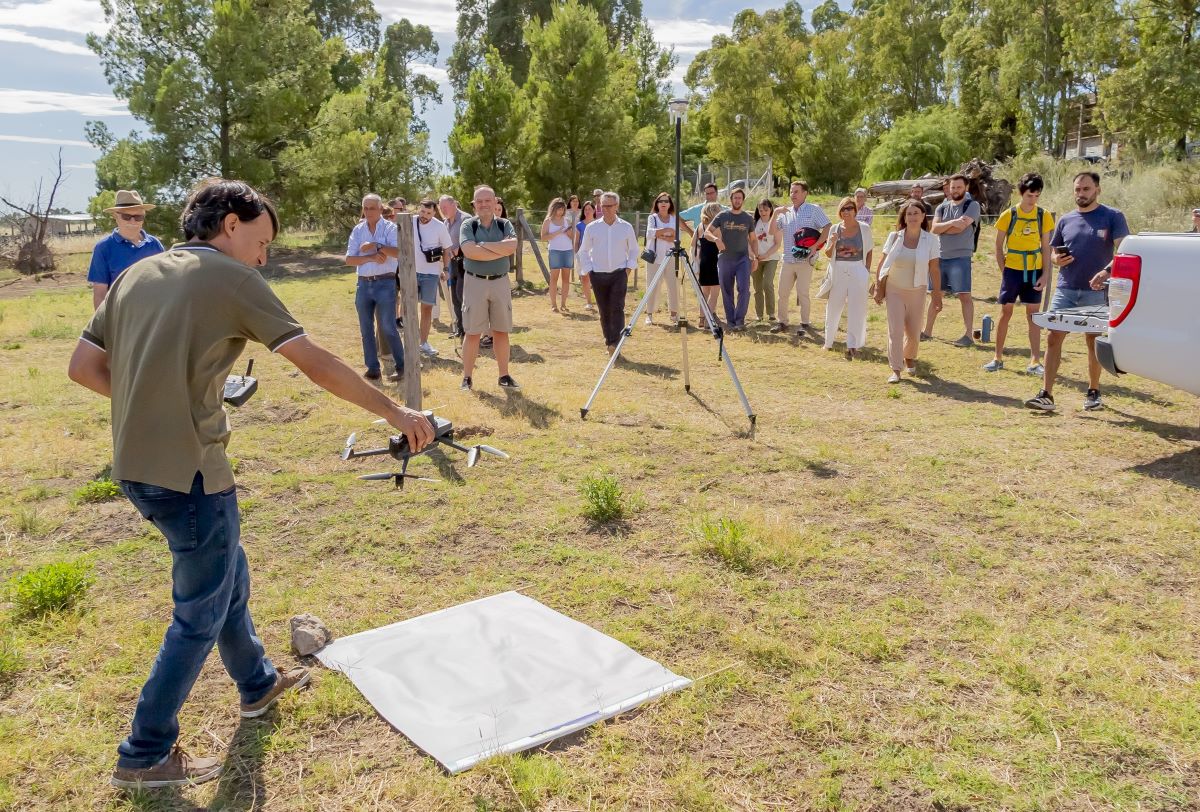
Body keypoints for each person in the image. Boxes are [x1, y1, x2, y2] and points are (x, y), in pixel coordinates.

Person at [67, 178, 434, 790]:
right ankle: (144, 751)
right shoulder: (231, 279)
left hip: (135, 467)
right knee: (200, 610)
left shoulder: (139, 273)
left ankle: (258, 685)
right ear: (230, 224)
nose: (264, 257)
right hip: (190, 472)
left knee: (225, 574)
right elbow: (313, 359)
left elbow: (84, 368)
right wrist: (397, 413)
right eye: (261, 241)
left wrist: (153, 405)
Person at [1025, 171, 1129, 412]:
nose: (1081, 194)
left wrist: (1106, 272)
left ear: (1097, 190)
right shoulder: (1066, 219)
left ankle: (1093, 392)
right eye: (1078, 190)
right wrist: (1056, 260)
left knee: (1093, 342)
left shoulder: (1112, 216)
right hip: (1066, 288)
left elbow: (1124, 251)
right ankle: (1046, 394)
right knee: (1053, 338)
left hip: (1097, 291)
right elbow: (1052, 254)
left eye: (1086, 189)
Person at [986, 173, 1054, 374]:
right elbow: (998, 246)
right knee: (1005, 312)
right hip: (1012, 270)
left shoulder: (1044, 216)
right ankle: (997, 357)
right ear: (1021, 193)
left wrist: (1045, 275)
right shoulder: (1009, 215)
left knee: (1033, 315)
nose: (1032, 200)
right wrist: (1004, 271)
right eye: (1029, 196)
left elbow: (1046, 248)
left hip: (1034, 271)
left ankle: (1034, 361)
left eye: (1036, 196)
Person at [459, 185, 520, 391]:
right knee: (473, 332)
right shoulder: (468, 225)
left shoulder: (504, 224)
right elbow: (469, 252)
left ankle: (504, 375)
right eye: (479, 201)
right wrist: (498, 250)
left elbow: (512, 246)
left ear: (495, 203)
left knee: (501, 330)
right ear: (474, 204)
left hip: (500, 281)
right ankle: (467, 378)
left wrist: (482, 245)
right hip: (474, 282)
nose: (484, 204)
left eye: (488, 200)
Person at [874, 200, 941, 382]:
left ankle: (909, 357)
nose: (912, 217)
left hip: (917, 291)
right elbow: (882, 263)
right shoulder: (895, 237)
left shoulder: (931, 240)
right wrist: (878, 286)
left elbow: (934, 269)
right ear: (904, 217)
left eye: (915, 213)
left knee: (913, 333)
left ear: (922, 217)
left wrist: (936, 296)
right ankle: (896, 369)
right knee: (895, 330)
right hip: (894, 289)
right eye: (908, 214)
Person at [345, 194, 403, 381]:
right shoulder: (358, 230)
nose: (368, 211)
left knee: (387, 326)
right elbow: (349, 259)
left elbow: (399, 252)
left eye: (372, 208)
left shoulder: (390, 228)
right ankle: (373, 368)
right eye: (366, 208)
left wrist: (376, 245)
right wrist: (371, 257)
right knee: (365, 328)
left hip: (385, 282)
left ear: (380, 209)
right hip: (363, 283)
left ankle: (402, 366)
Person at [579, 191, 639, 355]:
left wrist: (628, 269)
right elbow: (583, 251)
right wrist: (589, 270)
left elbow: (634, 250)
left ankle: (616, 344)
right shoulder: (592, 227)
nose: (605, 209)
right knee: (604, 310)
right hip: (598, 274)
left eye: (609, 206)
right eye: (602, 205)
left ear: (616, 206)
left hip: (619, 273)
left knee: (617, 307)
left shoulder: (626, 227)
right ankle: (609, 341)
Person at [769, 180, 831, 336]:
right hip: (788, 259)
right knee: (782, 293)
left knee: (803, 293)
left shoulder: (813, 210)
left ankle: (805, 323)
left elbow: (828, 226)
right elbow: (772, 231)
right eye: (791, 191)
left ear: (805, 193)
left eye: (796, 191)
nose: (792, 195)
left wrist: (816, 245)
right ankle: (782, 322)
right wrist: (776, 213)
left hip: (805, 261)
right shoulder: (785, 212)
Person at [926, 174, 980, 345]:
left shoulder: (972, 205)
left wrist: (945, 226)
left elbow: (961, 228)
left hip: (960, 258)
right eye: (953, 187)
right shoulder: (942, 207)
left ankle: (968, 335)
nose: (955, 190)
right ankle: (927, 331)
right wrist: (953, 223)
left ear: (966, 188)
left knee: (964, 295)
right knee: (936, 295)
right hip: (941, 257)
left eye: (958, 187)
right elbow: (934, 228)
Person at [88, 190, 165, 309]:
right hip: (120, 318)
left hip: (152, 317)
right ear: (115, 216)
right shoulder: (103, 248)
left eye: (138, 217)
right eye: (126, 216)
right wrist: (103, 324)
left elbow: (164, 284)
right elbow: (100, 294)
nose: (133, 221)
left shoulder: (154, 244)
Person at [822, 197, 874, 359]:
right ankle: (828, 342)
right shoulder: (835, 229)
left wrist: (866, 271)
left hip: (858, 268)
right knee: (833, 307)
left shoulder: (864, 228)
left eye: (850, 208)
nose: (847, 212)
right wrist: (832, 242)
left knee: (857, 308)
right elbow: (828, 254)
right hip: (838, 269)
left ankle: (853, 345)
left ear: (855, 210)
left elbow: (870, 250)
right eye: (843, 209)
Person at [706, 189, 755, 330]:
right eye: (735, 198)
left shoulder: (748, 218)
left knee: (744, 289)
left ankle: (740, 321)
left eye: (740, 198)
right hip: (725, 259)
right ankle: (731, 321)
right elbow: (707, 232)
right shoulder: (722, 216)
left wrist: (755, 257)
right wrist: (716, 239)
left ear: (743, 200)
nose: (737, 200)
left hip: (743, 259)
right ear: (731, 199)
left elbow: (753, 239)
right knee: (727, 290)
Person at [644, 192, 693, 326]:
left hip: (671, 256)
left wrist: (661, 234)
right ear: (657, 204)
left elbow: (676, 237)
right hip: (654, 257)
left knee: (673, 285)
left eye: (666, 201)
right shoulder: (652, 218)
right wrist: (667, 230)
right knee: (652, 285)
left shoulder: (673, 218)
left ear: (670, 204)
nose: (664, 203)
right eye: (661, 201)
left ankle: (674, 313)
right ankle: (649, 314)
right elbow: (649, 233)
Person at [412, 199, 452, 357]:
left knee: (427, 308)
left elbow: (447, 249)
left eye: (428, 213)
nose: (424, 215)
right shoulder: (410, 221)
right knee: (409, 308)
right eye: (422, 211)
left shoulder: (439, 226)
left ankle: (423, 342)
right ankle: (410, 342)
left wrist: (446, 269)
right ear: (418, 209)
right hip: (411, 272)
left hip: (430, 273)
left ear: (434, 213)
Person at [439, 194, 469, 338]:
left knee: (461, 295)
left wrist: (456, 250)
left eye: (445, 207)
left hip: (465, 264)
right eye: (441, 207)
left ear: (454, 205)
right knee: (454, 298)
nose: (442, 210)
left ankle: (470, 329)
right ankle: (460, 329)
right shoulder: (445, 223)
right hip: (452, 263)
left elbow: (468, 242)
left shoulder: (465, 219)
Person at [541, 197, 576, 313]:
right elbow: (543, 237)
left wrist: (569, 234)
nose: (561, 211)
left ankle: (564, 304)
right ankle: (553, 305)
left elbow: (573, 237)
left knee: (566, 279)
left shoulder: (567, 220)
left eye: (562, 209)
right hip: (555, 251)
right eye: (559, 209)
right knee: (554, 279)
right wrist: (557, 232)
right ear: (554, 208)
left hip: (568, 251)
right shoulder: (548, 221)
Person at [750, 198, 779, 323]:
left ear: (771, 209)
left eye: (766, 210)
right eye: (760, 210)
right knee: (757, 287)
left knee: (767, 284)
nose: (763, 212)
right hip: (756, 259)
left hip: (771, 258)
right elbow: (749, 241)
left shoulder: (776, 223)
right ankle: (759, 314)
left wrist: (766, 254)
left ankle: (771, 313)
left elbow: (777, 243)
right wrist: (754, 256)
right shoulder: (754, 223)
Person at [696, 202, 723, 326]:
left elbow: (693, 244)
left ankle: (701, 319)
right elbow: (722, 244)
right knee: (714, 294)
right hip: (714, 261)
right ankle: (709, 321)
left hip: (703, 261)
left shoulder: (700, 226)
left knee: (704, 293)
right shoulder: (716, 228)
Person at [576, 201, 597, 311]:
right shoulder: (579, 225)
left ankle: (600, 300)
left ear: (594, 210)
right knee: (584, 278)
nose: (587, 211)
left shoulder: (598, 224)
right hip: (583, 253)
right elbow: (576, 242)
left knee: (596, 278)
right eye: (585, 209)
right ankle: (589, 302)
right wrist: (576, 254)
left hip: (595, 254)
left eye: (589, 209)